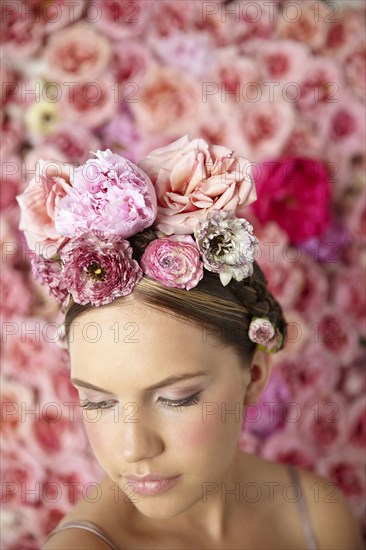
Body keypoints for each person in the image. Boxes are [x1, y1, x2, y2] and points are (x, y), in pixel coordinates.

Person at [16, 137, 364, 549]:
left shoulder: (317, 516)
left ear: (253, 376)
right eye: (98, 402)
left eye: (176, 398)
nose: (135, 448)